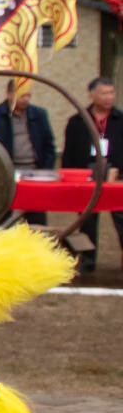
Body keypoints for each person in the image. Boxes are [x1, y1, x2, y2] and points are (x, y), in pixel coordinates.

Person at [61, 75, 122, 278]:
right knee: (87, 220)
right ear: (92, 95)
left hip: (116, 175)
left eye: (111, 93)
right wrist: (69, 177)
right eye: (104, 93)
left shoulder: (120, 120)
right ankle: (87, 260)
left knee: (121, 218)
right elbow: (69, 153)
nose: (109, 97)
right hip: (86, 175)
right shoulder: (78, 121)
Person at [0, 80, 56, 228]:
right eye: (21, 95)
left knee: (36, 216)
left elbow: (48, 145)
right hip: (7, 172)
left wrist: (45, 170)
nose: (25, 99)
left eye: (28, 95)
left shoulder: (39, 114)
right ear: (9, 94)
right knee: (3, 216)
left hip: (34, 171)